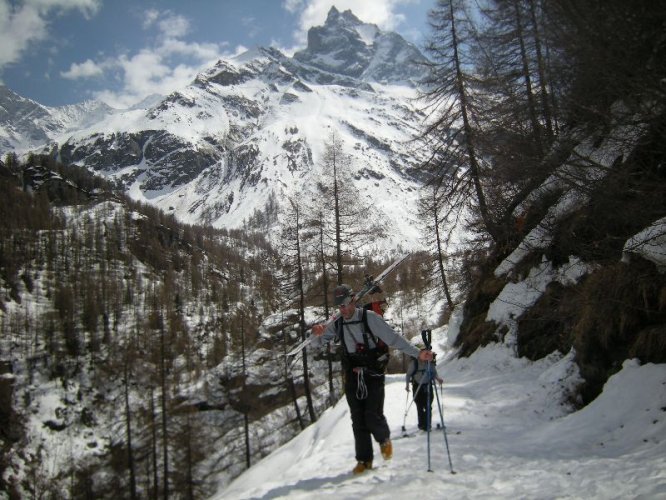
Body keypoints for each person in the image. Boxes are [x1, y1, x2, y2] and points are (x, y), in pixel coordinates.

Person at [311, 284, 434, 475]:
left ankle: (384, 440)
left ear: (352, 300)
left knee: (372, 414)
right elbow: (319, 342)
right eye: (339, 306)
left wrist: (418, 354)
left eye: (345, 304)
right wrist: (316, 334)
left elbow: (393, 338)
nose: (342, 309)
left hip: (373, 372)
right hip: (352, 374)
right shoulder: (337, 323)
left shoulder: (370, 318)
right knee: (357, 419)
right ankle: (364, 460)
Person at [405, 338, 443, 431]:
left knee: (428, 406)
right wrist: (406, 385)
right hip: (417, 385)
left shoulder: (430, 362)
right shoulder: (414, 363)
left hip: (427, 386)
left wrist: (438, 379)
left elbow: (434, 372)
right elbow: (408, 374)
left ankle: (428, 425)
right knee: (420, 405)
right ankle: (421, 424)